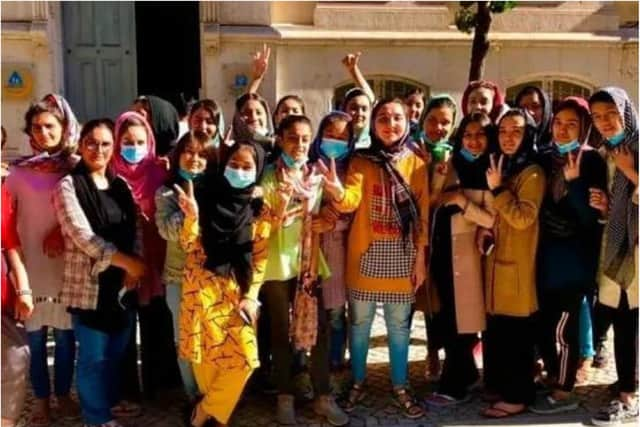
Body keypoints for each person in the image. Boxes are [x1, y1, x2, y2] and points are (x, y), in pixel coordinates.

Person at [333, 98, 429, 419]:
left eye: (397, 118)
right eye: (383, 118)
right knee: (359, 324)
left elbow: (422, 218)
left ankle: (400, 385)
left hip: (403, 255)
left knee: (399, 327)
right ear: (373, 125)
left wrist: (419, 260)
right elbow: (350, 201)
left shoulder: (417, 163)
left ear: (408, 122)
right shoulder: (360, 161)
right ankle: (358, 381)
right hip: (365, 255)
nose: (391, 124)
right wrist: (335, 188)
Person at [53, 119, 146, 427]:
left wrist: (135, 264)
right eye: (92, 143)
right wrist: (127, 262)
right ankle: (96, 418)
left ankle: (108, 404)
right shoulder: (68, 186)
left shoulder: (121, 186)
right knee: (93, 358)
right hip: (89, 288)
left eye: (106, 144)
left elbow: (135, 230)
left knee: (116, 354)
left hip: (120, 288)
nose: (99, 150)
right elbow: (82, 237)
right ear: (81, 145)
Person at [259, 114, 348, 426]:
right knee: (280, 333)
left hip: (309, 263)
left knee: (319, 330)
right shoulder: (268, 175)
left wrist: (330, 214)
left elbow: (333, 208)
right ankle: (286, 397)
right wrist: (282, 205)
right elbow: (264, 219)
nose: (299, 145)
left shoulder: (316, 174)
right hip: (277, 265)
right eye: (293, 138)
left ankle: (323, 396)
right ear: (281, 139)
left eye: (305, 139)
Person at [175, 140, 270, 427]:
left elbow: (260, 258)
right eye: (234, 165)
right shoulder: (204, 195)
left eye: (246, 167)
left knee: (244, 360)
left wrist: (252, 296)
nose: (239, 171)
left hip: (236, 291)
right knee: (206, 362)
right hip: (201, 287)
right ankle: (212, 419)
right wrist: (191, 217)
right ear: (223, 164)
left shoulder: (259, 209)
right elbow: (189, 245)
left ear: (257, 171)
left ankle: (202, 412)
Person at [6, 94, 80, 426]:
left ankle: (63, 394)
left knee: (65, 337)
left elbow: (86, 214)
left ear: (63, 128)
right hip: (30, 267)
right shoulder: (18, 173)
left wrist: (60, 233)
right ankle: (40, 401)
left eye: (50, 126)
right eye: (37, 127)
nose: (43, 132)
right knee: (35, 337)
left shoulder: (77, 167)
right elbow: (8, 221)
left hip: (66, 265)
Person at [530, 97, 607, 414]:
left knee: (565, 327)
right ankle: (553, 376)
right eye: (558, 123)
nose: (562, 130)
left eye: (571, 124)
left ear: (585, 127)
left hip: (574, 260)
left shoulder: (591, 162)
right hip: (545, 257)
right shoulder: (546, 157)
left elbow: (590, 217)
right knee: (546, 322)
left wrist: (574, 184)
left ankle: (564, 391)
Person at [424, 112, 495, 407]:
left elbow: (492, 218)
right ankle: (464, 373)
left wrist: (461, 202)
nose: (474, 140)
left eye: (480, 134)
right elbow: (430, 200)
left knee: (462, 320)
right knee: (445, 317)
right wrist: (440, 179)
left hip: (467, 257)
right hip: (440, 252)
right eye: (468, 134)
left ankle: (455, 383)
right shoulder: (451, 163)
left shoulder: (491, 170)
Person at [480, 109, 546, 418]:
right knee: (499, 331)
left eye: (516, 131)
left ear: (528, 135)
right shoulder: (503, 166)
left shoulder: (532, 172)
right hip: (497, 264)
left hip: (518, 268)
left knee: (516, 335)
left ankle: (518, 396)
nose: (508, 137)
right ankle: (500, 386)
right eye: (503, 130)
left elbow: (522, 218)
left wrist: (497, 190)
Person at [112, 111, 181, 401]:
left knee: (157, 323)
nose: (134, 147)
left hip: (158, 259)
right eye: (127, 141)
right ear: (117, 141)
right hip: (121, 262)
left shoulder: (160, 171)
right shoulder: (108, 173)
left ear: (150, 142)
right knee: (124, 330)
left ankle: (161, 386)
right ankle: (127, 392)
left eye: (140, 141)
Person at [588, 87, 638, 426]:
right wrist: (606, 208)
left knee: (631, 319)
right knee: (621, 316)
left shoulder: (631, 150)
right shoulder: (609, 153)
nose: (604, 122)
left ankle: (629, 397)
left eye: (610, 114)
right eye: (597, 117)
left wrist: (631, 171)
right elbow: (619, 206)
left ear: (625, 112)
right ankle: (625, 384)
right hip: (616, 244)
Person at [155, 131, 213, 403]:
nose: (195, 159)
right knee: (185, 339)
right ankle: (194, 397)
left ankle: (213, 395)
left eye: (202, 154)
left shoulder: (218, 189)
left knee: (212, 338)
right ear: (178, 155)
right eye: (189, 152)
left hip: (213, 278)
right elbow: (167, 231)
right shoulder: (166, 193)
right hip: (179, 277)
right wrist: (189, 212)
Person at [414, 94, 458, 382]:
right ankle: (431, 351)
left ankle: (447, 355)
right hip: (415, 234)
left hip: (447, 236)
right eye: (432, 120)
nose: (438, 128)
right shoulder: (412, 151)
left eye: (445, 122)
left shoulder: (455, 154)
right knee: (423, 297)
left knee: (444, 297)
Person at [308, 111, 356, 371]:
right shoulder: (309, 166)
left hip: (340, 252)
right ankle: (311, 362)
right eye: (330, 135)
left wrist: (334, 221)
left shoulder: (354, 171)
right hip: (310, 251)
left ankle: (337, 359)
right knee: (313, 312)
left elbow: (357, 213)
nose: (335, 141)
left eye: (342, 137)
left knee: (337, 312)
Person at [1, 128, 33, 427]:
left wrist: (23, 288)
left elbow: (11, 244)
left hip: (3, 293)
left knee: (18, 356)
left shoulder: (3, 192)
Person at [340, 52, 376, 149]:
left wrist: (353, 70)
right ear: (344, 110)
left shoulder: (377, 144)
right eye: (354, 108)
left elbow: (370, 99)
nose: (359, 113)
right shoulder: (335, 141)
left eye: (364, 109)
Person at [232, 93, 276, 160]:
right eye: (247, 113)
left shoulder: (278, 145)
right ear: (238, 118)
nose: (254, 117)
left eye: (259, 113)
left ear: (266, 115)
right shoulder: (230, 148)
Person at [188, 99, 226, 169]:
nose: (203, 127)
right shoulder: (180, 150)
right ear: (190, 121)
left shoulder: (226, 153)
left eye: (209, 122)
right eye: (198, 120)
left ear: (218, 125)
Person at [515, 85, 553, 153]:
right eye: (523, 108)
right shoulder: (511, 142)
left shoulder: (559, 143)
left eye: (535, 106)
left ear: (545, 109)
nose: (530, 112)